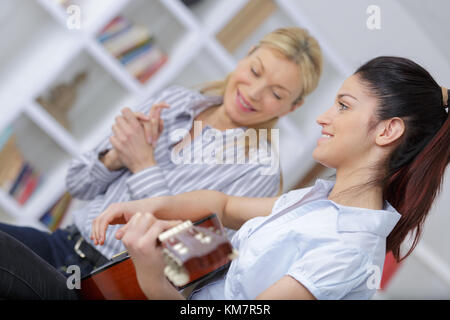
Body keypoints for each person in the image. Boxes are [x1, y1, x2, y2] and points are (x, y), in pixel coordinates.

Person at [91, 56, 450, 300]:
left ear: (388, 131)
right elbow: (225, 205)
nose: (323, 118)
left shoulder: (346, 248)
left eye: (343, 105)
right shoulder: (318, 201)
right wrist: (151, 205)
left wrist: (152, 275)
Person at [0, 27, 323, 279]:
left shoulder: (258, 172)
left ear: (293, 106)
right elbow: (77, 184)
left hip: (106, 281)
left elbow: (191, 259)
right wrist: (115, 157)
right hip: (63, 243)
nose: (253, 93)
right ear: (246, 55)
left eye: (276, 93)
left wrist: (143, 165)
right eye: (255, 71)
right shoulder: (176, 101)